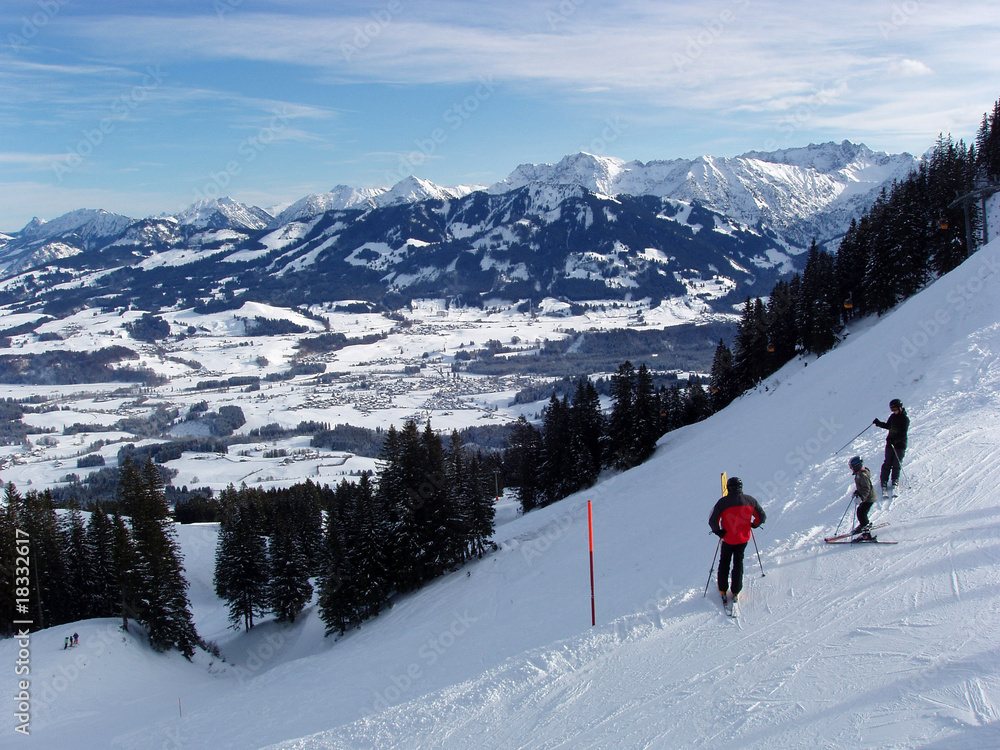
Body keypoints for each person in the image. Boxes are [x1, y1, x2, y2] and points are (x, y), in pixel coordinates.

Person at [709, 477, 766, 605]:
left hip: (728, 539)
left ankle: (723, 589)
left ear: (728, 487)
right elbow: (762, 516)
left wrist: (719, 532)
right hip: (743, 538)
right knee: (738, 563)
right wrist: (754, 524)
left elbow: (712, 520)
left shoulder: (722, 502)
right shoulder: (750, 500)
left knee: (724, 563)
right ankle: (736, 590)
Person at [874, 398, 909, 496]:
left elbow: (903, 434)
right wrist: (879, 423)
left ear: (900, 408)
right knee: (887, 462)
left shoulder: (905, 419)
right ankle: (884, 480)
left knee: (896, 462)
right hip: (890, 443)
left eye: (895, 409)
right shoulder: (893, 417)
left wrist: (895, 440)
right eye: (892, 410)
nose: (894, 411)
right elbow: (888, 426)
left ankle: (895, 480)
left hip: (900, 445)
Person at [849, 456, 876, 540]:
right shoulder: (859, 474)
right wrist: (857, 492)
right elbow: (862, 487)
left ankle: (866, 533)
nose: (851, 469)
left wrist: (862, 498)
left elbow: (867, 488)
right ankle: (863, 525)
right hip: (866, 497)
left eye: (852, 467)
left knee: (862, 513)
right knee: (860, 511)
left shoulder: (863, 475)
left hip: (869, 498)